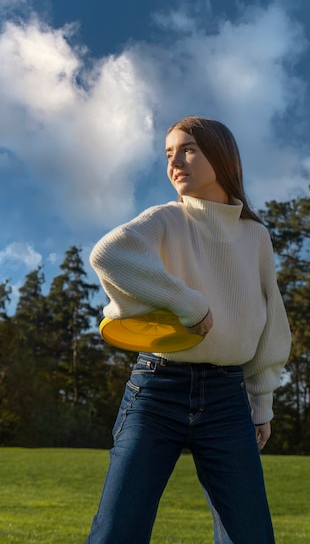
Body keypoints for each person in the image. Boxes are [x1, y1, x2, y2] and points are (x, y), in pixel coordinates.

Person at [86, 116, 292, 543]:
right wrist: (188, 302)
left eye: (188, 149)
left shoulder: (255, 236)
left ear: (222, 157)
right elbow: (109, 253)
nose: (175, 162)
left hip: (227, 399)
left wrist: (262, 399)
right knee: (116, 533)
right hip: (155, 389)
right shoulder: (165, 219)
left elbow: (270, 318)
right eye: (168, 154)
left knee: (250, 537)